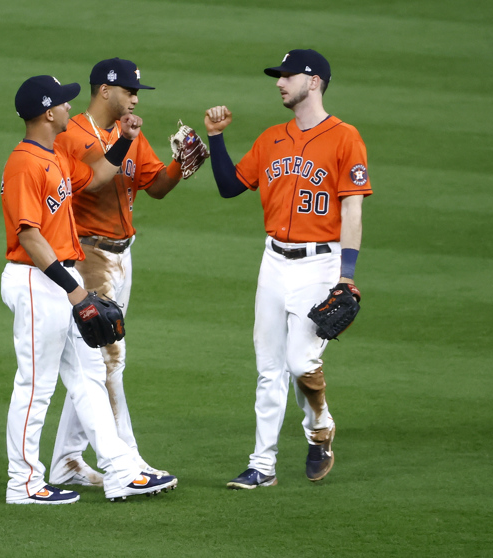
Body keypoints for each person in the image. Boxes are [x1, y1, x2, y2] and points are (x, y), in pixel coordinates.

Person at [0, 74, 177, 504]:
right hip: (37, 279)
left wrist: (126, 141)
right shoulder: (24, 163)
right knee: (36, 386)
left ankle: (120, 471)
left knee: (89, 375)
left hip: (60, 278)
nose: (69, 108)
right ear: (47, 112)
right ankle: (22, 483)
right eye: (62, 102)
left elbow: (97, 175)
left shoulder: (53, 157)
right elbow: (29, 235)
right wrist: (74, 290)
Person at [202, 49, 372, 489]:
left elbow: (352, 210)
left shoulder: (345, 137)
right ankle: (262, 464)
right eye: (279, 77)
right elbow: (228, 187)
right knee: (269, 366)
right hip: (273, 261)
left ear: (313, 82)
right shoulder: (270, 138)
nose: (279, 82)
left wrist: (347, 275)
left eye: (288, 76)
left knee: (300, 361)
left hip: (321, 262)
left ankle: (319, 427)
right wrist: (216, 138)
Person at [48, 58, 186, 486]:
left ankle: (68, 460)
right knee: (109, 360)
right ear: (105, 90)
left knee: (94, 361)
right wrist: (123, 141)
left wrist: (183, 163)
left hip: (124, 256)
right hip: (88, 255)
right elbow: (91, 182)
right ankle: (127, 459)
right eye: (129, 91)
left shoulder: (130, 131)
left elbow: (157, 186)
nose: (135, 99)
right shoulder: (70, 136)